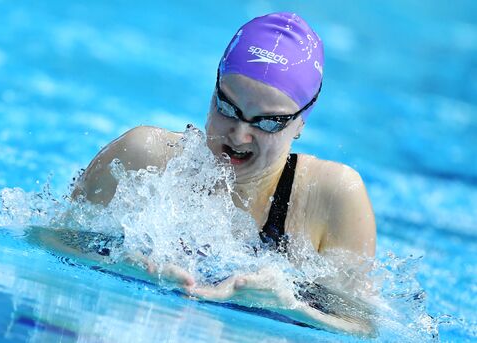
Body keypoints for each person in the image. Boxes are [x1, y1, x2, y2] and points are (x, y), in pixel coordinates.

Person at [72, 13, 376, 305]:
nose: (239, 134)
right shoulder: (142, 156)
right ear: (213, 90)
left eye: (267, 122)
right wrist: (113, 262)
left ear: (300, 124)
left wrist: (288, 304)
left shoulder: (331, 197)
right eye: (227, 108)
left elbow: (362, 327)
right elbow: (47, 239)